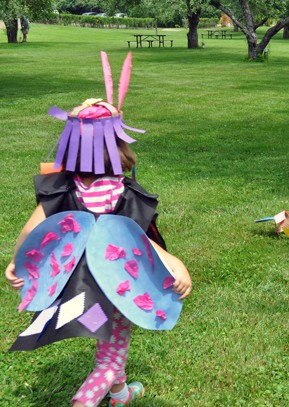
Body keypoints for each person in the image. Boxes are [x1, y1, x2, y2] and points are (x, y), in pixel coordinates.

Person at [4, 52, 192, 407]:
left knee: (107, 339)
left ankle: (120, 395)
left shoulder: (63, 187)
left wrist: (18, 263)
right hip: (115, 285)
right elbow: (137, 240)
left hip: (77, 288)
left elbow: (34, 228)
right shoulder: (121, 192)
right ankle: (85, 400)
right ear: (118, 145)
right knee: (110, 354)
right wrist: (176, 263)